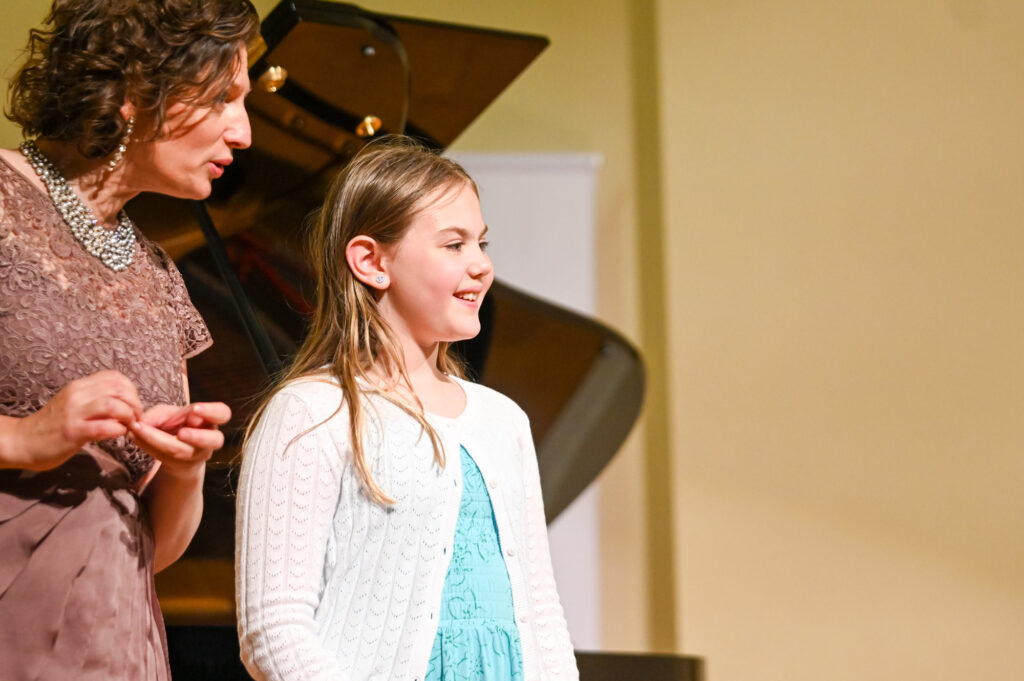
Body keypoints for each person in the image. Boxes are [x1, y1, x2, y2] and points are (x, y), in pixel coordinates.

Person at [235, 137, 579, 681]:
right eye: (454, 245)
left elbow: (541, 609)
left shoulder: (504, 420)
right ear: (371, 261)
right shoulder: (312, 413)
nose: (482, 266)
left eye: (482, 244)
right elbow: (273, 631)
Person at [0, 1, 259, 679]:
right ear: (136, 89)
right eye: (224, 97)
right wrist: (23, 438)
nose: (244, 131)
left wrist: (185, 468)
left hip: (117, 649)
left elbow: (154, 551)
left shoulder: (160, 278)